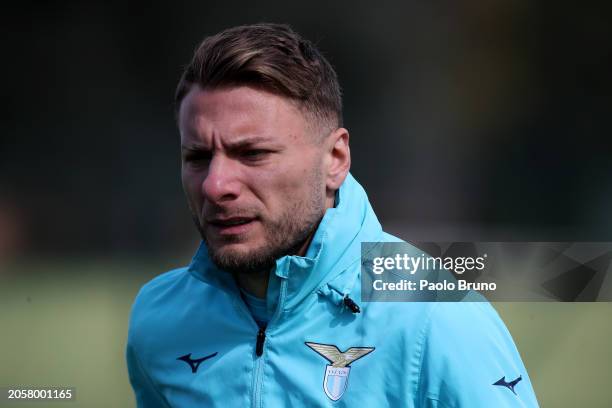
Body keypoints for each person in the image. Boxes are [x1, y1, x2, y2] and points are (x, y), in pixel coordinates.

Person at [126, 23, 539, 407]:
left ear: (335, 159)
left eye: (253, 154)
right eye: (197, 157)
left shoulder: (432, 314)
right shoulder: (159, 320)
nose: (216, 186)